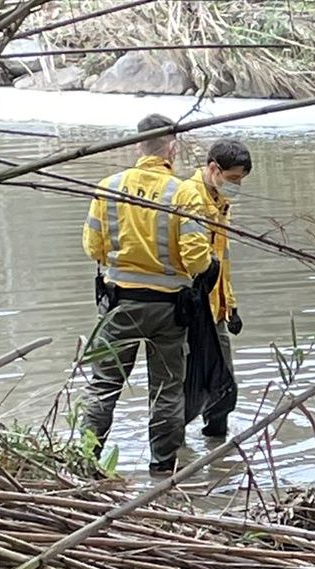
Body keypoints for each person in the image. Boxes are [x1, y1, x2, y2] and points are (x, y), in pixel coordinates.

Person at [81, 113, 214, 474]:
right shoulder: (184, 193)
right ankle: (162, 467)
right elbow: (197, 258)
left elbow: (92, 247)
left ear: (139, 145)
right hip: (170, 310)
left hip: (118, 305)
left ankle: (84, 461)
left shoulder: (108, 187)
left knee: (104, 385)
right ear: (171, 146)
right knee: (167, 389)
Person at [178, 138, 252, 439]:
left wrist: (230, 305)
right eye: (233, 178)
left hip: (216, 307)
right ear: (213, 168)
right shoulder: (190, 198)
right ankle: (174, 449)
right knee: (186, 383)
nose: (236, 185)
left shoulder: (221, 202)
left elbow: (223, 260)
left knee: (223, 383)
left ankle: (215, 442)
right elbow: (195, 259)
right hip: (191, 308)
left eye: (241, 180)